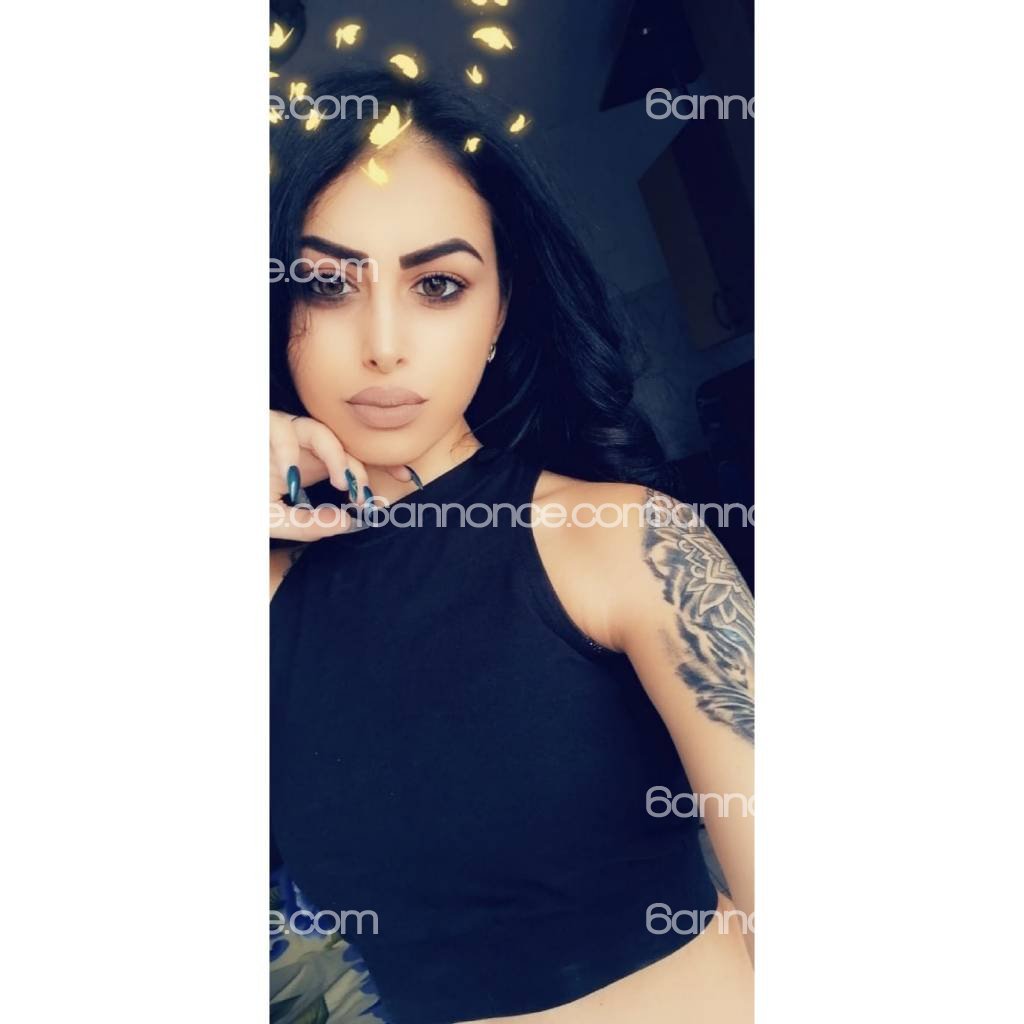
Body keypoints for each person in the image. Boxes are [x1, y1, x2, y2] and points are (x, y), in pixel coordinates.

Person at [269, 67, 754, 1024]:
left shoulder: (624, 539)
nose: (383, 344)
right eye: (327, 284)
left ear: (499, 315)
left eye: (438, 285)